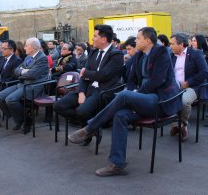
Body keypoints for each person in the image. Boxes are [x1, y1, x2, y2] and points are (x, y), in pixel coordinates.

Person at [68, 27, 182, 176]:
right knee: (120, 115)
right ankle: (117, 164)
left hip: (160, 101)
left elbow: (157, 81)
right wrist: (134, 94)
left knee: (124, 96)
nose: (135, 41)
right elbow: (131, 80)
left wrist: (135, 95)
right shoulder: (139, 55)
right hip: (143, 100)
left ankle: (90, 128)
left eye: (138, 38)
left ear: (147, 41)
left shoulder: (161, 53)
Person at [54, 25, 124, 143]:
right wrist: (81, 92)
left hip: (102, 91)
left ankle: (89, 128)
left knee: (82, 111)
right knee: (58, 106)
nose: (92, 38)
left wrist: (86, 73)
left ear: (103, 39)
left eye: (95, 36)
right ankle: (92, 127)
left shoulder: (117, 55)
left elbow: (104, 75)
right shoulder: (93, 52)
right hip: (86, 88)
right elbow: (82, 76)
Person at [0, 38, 49, 133]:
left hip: (33, 86)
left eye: (26, 46)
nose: (24, 48)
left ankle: (25, 120)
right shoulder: (28, 57)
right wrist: (24, 71)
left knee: (10, 99)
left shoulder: (42, 58)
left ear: (34, 47)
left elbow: (32, 75)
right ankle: (20, 118)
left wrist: (22, 71)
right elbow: (16, 70)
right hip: (23, 83)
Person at [169, 33, 208, 140]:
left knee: (184, 101)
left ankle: (183, 125)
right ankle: (176, 125)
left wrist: (188, 83)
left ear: (181, 44)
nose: (170, 46)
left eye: (172, 44)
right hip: (174, 86)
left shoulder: (195, 54)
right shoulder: (171, 55)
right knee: (166, 98)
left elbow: (204, 72)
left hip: (192, 86)